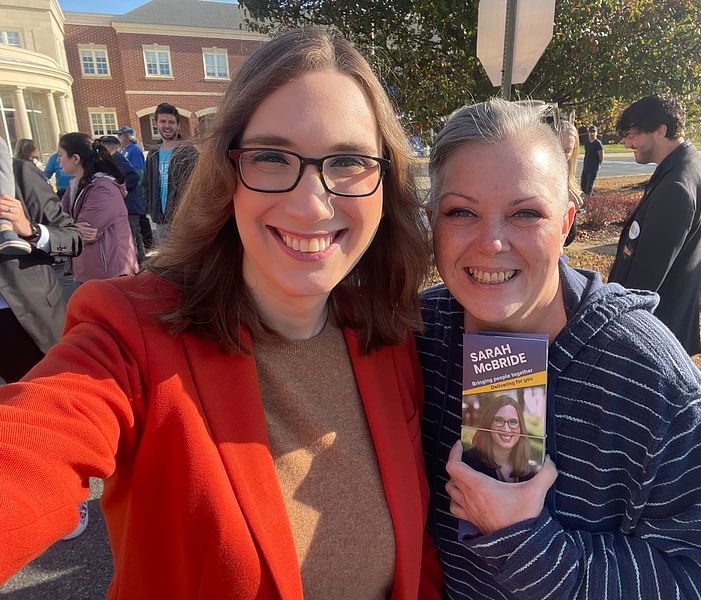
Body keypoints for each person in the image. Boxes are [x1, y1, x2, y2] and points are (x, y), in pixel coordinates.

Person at [0, 28, 441, 598]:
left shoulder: (388, 337)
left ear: (386, 182)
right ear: (227, 175)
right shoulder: (133, 334)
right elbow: (31, 443)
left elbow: (419, 554)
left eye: (349, 161)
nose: (311, 203)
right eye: (272, 157)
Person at [417, 98, 701, 598]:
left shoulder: (652, 377)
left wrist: (530, 546)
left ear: (565, 222)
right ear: (433, 221)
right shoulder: (417, 334)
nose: (491, 242)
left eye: (525, 213)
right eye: (461, 212)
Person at [608, 95, 701, 356]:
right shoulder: (689, 167)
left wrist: (618, 323)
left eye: (632, 134)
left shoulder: (677, 186)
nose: (626, 143)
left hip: (654, 332)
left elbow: (647, 277)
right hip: (666, 325)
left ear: (661, 130)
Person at [0, 134, 82, 382]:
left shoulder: (19, 174)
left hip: (30, 319)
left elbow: (73, 238)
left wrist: (30, 230)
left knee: (56, 399)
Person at [58, 133, 137, 283]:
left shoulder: (103, 188)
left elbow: (86, 233)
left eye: (60, 155)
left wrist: (59, 231)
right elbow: (57, 217)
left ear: (75, 158)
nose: (58, 160)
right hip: (89, 271)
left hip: (110, 273)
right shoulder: (74, 185)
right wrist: (67, 227)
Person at [142, 102, 198, 238]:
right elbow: (146, 185)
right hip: (160, 220)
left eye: (171, 122)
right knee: (165, 257)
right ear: (156, 123)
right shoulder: (153, 154)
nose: (167, 126)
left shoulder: (189, 152)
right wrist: (151, 208)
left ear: (177, 125)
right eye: (163, 121)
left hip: (183, 221)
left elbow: (198, 187)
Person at [463, 395, 532, 483]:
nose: (506, 429)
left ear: (521, 428)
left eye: (513, 422)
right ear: (488, 423)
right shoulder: (468, 462)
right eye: (499, 420)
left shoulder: (529, 471)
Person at [100, 135, 146, 265]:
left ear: (108, 147)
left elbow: (133, 177)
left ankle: (138, 261)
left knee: (133, 234)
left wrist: (120, 191)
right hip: (128, 204)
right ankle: (137, 260)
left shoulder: (118, 159)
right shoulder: (115, 159)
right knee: (132, 234)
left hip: (130, 204)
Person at [115, 126, 152, 251]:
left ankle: (148, 245)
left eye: (121, 135)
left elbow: (138, 173)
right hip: (129, 193)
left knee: (140, 219)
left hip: (134, 192)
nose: (119, 138)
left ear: (128, 137)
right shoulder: (123, 150)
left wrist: (128, 188)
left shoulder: (134, 150)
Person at [559, 120, 583, 246]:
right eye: (556, 148)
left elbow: (568, 237)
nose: (561, 156)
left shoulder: (569, 183)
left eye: (567, 151)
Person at [579, 124, 603, 195]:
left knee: (589, 186)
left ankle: (589, 201)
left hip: (593, 167)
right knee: (583, 185)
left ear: (596, 133)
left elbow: (601, 156)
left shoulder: (598, 143)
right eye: (590, 132)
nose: (592, 133)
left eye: (594, 131)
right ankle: (594, 196)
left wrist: (598, 165)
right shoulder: (587, 143)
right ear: (588, 133)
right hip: (586, 166)